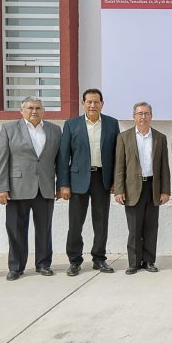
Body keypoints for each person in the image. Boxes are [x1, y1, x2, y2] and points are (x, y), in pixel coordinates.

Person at [0, 96, 62, 281]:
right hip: (17, 188)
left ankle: (43, 264)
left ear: (43, 110)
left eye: (38, 108)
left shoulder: (54, 130)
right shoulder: (9, 129)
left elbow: (60, 161)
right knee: (16, 229)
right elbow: (0, 160)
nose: (34, 111)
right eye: (30, 108)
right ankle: (16, 267)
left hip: (45, 187)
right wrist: (1, 188)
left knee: (44, 229)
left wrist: (61, 184)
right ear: (21, 110)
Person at [57, 88, 120, 276]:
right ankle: (74, 260)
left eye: (96, 102)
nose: (93, 105)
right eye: (89, 102)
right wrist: (63, 184)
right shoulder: (71, 124)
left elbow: (117, 155)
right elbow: (63, 157)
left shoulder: (112, 123)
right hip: (78, 180)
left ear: (102, 104)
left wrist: (116, 181)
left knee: (101, 222)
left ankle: (99, 258)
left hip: (102, 178)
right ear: (83, 104)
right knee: (75, 223)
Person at [114, 102, 171, 274]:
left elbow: (164, 167)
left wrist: (165, 190)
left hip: (153, 188)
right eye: (140, 114)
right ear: (134, 117)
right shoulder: (124, 137)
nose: (143, 117)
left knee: (151, 227)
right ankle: (133, 263)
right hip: (132, 189)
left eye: (146, 113)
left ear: (151, 116)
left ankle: (149, 261)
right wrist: (119, 190)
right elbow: (119, 167)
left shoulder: (160, 138)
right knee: (134, 228)